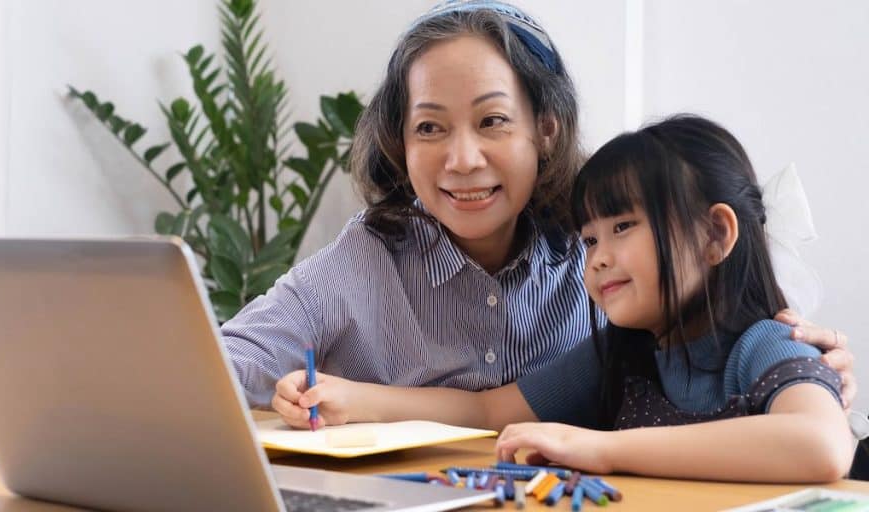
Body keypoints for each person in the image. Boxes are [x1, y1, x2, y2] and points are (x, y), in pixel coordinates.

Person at [222, 0, 854, 411]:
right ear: (399, 141)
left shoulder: (601, 255)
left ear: (545, 128)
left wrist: (802, 372)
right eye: (430, 128)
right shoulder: (363, 256)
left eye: (493, 120)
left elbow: (728, 348)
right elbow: (223, 365)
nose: (462, 159)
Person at [273, 115, 853, 482]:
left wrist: (601, 449)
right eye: (590, 237)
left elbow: (820, 446)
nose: (596, 257)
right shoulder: (616, 354)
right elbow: (484, 411)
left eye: (622, 227)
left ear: (716, 234)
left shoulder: (769, 343)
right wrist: (354, 397)